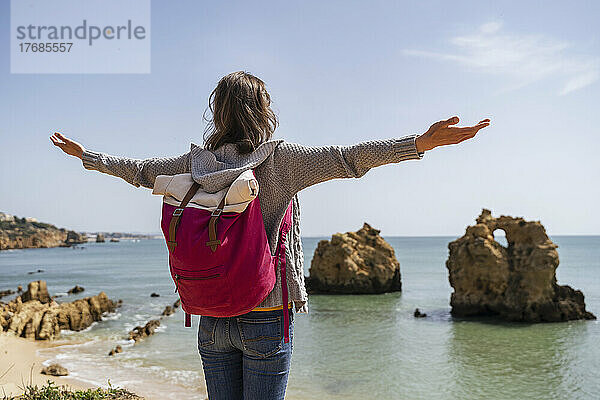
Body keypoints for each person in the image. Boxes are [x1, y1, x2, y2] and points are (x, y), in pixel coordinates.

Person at [50, 70, 490, 400]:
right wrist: (419, 144)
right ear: (264, 112)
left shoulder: (192, 165)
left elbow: (139, 172)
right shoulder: (281, 161)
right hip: (266, 312)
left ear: (217, 113)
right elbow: (349, 159)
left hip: (211, 318)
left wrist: (87, 155)